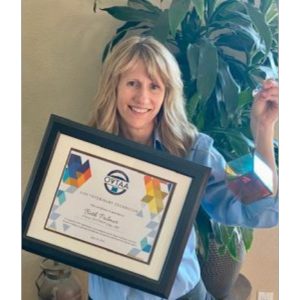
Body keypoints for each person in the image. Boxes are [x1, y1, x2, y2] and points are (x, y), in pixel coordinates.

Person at [87, 36, 279, 300]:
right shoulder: (84, 150)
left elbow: (256, 208)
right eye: (132, 83)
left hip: (180, 295)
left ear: (167, 92)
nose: (143, 97)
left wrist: (262, 131)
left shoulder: (191, 150)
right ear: (114, 86)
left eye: (154, 86)